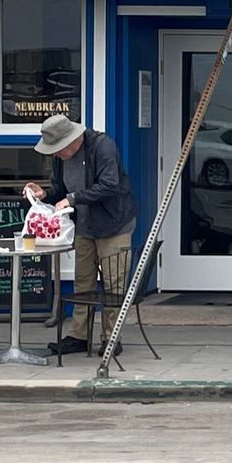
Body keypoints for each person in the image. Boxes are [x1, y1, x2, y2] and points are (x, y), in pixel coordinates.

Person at [24, 112, 139, 355]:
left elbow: (110, 185)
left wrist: (73, 198)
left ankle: (111, 337)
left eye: (56, 149)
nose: (54, 154)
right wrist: (45, 194)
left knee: (113, 283)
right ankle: (79, 335)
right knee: (82, 281)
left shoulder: (102, 146)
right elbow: (60, 188)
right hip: (84, 225)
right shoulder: (60, 157)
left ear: (71, 142)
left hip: (113, 224)